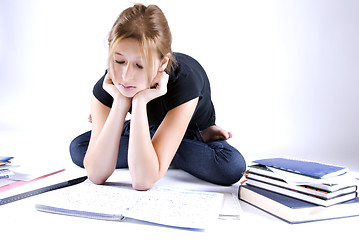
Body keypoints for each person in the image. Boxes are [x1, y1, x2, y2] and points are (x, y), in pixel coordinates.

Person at [69, 4, 246, 190]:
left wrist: (138, 103)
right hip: (139, 126)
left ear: (163, 63)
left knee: (231, 166)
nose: (126, 76)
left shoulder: (185, 80)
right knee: (78, 147)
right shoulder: (108, 85)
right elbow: (96, 174)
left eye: (140, 65)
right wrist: (120, 104)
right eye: (119, 61)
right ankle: (151, 151)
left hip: (187, 130)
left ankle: (160, 150)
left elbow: (142, 181)